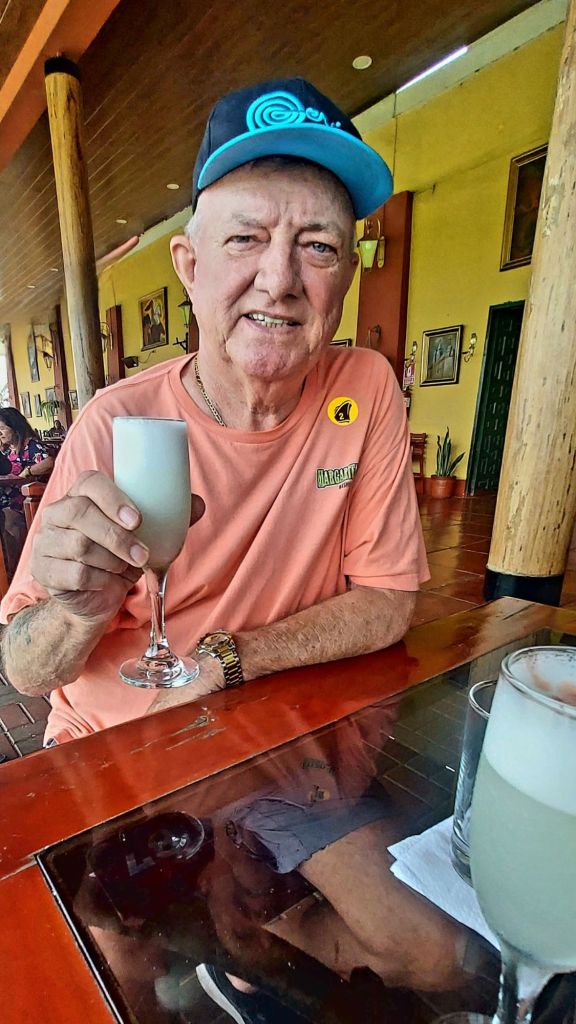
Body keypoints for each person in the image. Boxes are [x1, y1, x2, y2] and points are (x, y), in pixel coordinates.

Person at [0, 78, 434, 1015]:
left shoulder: (365, 389)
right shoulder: (117, 424)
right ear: (189, 265)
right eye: (246, 239)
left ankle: (237, 947)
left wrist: (227, 661)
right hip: (120, 756)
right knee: (117, 978)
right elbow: (24, 668)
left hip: (272, 741)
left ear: (346, 275)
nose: (280, 278)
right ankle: (223, 949)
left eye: (317, 245)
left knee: (430, 955)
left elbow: (389, 599)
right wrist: (75, 609)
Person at [0, 407, 54, 575]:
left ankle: (16, 569)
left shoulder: (30, 445)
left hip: (23, 501)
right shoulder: (6, 451)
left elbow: (49, 462)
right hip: (6, 498)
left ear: (14, 427)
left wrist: (27, 472)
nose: (0, 433)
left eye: (2, 428)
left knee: (8, 519)